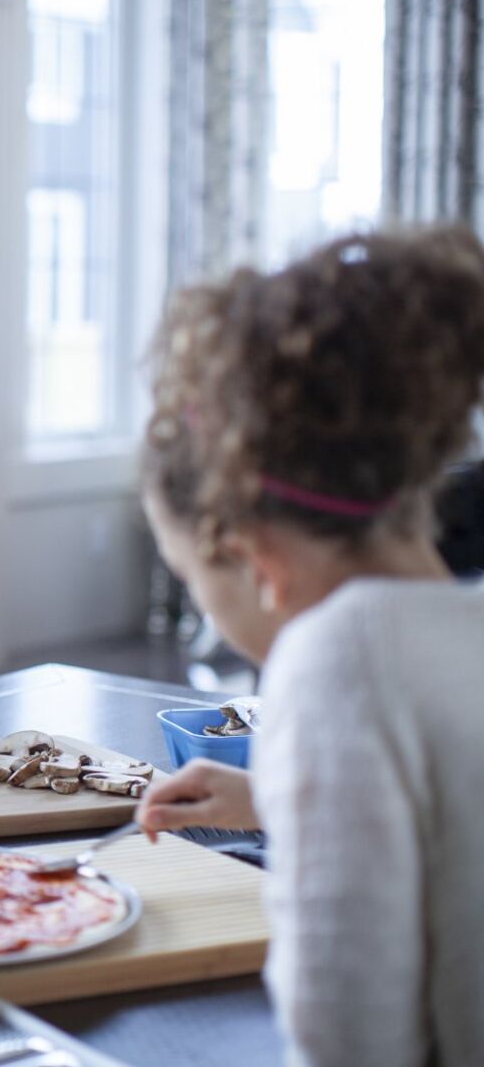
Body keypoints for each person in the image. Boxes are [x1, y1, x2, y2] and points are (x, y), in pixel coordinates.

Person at [133, 228, 484, 1066]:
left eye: (194, 583)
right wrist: (276, 796)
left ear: (257, 564)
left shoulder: (335, 663)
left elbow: (349, 1038)